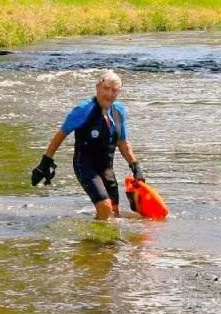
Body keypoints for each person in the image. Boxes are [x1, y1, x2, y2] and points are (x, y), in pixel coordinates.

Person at [31, 70, 145, 221]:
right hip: (85, 165)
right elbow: (61, 134)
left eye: (114, 90)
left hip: (107, 168)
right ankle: (93, 243)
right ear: (97, 87)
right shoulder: (83, 110)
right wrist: (46, 161)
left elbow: (122, 142)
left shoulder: (119, 112)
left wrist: (135, 167)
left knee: (114, 213)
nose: (110, 94)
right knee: (105, 207)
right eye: (106, 89)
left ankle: (109, 244)